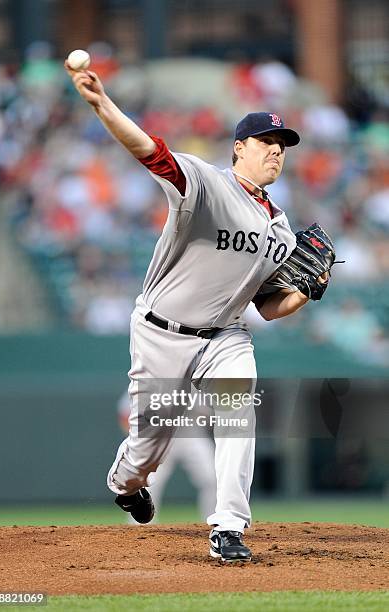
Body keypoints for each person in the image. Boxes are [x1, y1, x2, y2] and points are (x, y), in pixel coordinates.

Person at [65, 60, 312, 563]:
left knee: (238, 418)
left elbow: (267, 307)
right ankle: (126, 482)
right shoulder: (203, 183)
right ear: (239, 147)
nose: (276, 152)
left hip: (226, 337)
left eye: (282, 145)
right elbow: (147, 150)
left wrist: (306, 291)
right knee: (147, 448)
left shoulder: (282, 229)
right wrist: (101, 103)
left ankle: (228, 528)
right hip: (162, 333)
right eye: (267, 142)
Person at [117, 390, 216, 522]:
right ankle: (140, 527)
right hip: (158, 438)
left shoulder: (197, 381)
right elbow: (125, 415)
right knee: (147, 482)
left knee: (213, 478)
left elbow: (213, 412)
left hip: (191, 434)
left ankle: (216, 523)